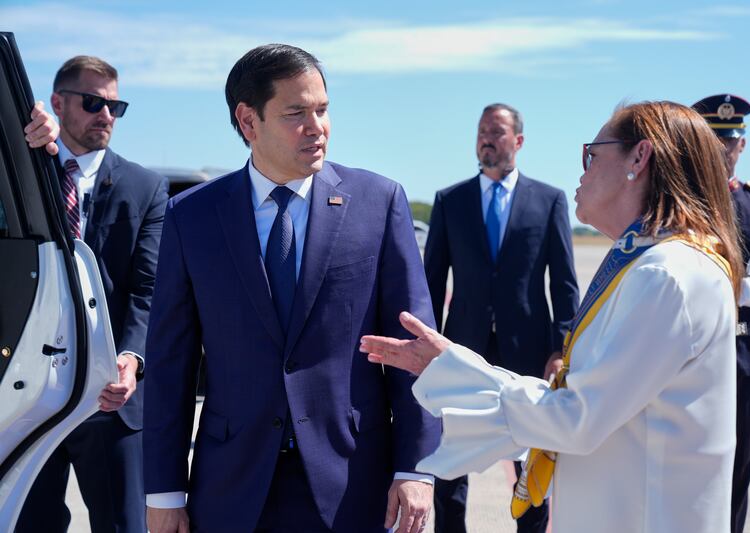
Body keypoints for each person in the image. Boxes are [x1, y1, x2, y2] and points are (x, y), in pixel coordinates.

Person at [361, 101, 744, 533]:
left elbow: (576, 418)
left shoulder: (665, 276)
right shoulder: (653, 263)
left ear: (639, 157)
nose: (582, 170)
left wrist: (453, 368)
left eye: (592, 155)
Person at [143, 44, 440, 533]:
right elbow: (170, 364)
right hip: (230, 490)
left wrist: (415, 468)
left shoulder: (378, 202)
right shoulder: (191, 217)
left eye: (322, 110)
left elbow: (414, 347)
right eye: (296, 113)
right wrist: (165, 492)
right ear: (248, 121)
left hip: (353, 485)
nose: (316, 126)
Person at [16, 56, 168, 533]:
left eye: (114, 106)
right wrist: (25, 136)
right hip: (29, 396)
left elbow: (148, 288)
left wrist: (132, 359)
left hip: (109, 398)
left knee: (124, 526)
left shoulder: (145, 187)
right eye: (93, 103)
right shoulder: (26, 167)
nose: (106, 115)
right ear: (58, 103)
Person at [424, 103, 579, 533]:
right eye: (481, 132)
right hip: (462, 350)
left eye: (496, 131)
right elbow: (431, 283)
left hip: (527, 352)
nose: (486, 139)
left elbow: (564, 284)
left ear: (519, 141)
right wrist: (426, 345)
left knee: (531, 464)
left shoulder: (548, 201)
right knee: (451, 460)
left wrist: (560, 350)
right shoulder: (449, 201)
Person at [692, 94, 750, 533]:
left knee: (739, 463)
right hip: (691, 351)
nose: (722, 152)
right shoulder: (684, 203)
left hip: (746, 351)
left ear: (741, 147)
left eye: (729, 144)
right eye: (713, 143)